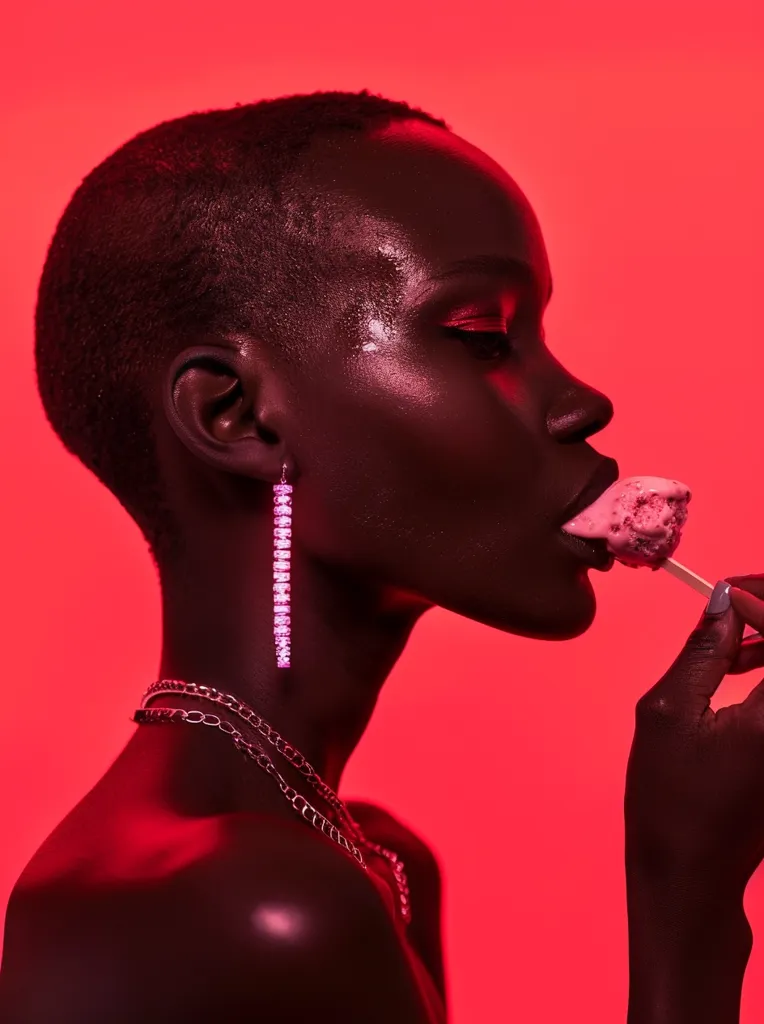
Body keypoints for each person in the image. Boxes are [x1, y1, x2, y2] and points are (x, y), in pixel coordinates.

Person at [2, 89, 764, 1024]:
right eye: (482, 337)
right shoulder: (254, 908)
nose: (583, 402)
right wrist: (690, 889)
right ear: (236, 415)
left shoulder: (373, 861)